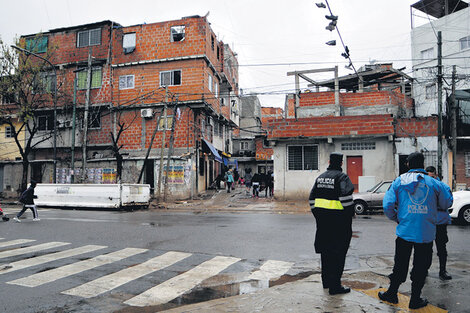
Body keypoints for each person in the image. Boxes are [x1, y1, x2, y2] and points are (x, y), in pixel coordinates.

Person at [379, 153, 453, 309]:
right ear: (423, 164)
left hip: (405, 231)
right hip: (425, 233)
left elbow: (387, 205)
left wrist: (397, 218)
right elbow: (446, 203)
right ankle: (415, 300)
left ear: (407, 164)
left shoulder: (399, 181)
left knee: (400, 264)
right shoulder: (434, 183)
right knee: (421, 266)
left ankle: (392, 294)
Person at [309, 152, 355, 295]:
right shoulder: (342, 177)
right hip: (339, 225)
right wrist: (347, 218)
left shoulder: (320, 178)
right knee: (338, 255)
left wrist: (319, 216)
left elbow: (311, 200)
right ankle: (335, 286)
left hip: (323, 224)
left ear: (329, 161)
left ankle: (326, 282)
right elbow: (347, 202)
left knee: (326, 253)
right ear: (341, 163)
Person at [426, 165, 453, 280]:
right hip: (427, 222)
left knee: (441, 247)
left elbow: (447, 203)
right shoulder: (424, 186)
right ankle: (424, 269)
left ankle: (443, 270)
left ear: (436, 175)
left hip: (440, 222)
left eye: (432, 176)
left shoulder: (443, 187)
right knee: (426, 248)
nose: (430, 179)